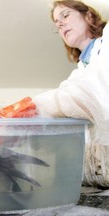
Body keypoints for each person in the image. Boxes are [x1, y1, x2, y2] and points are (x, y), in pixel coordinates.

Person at [33, 0, 109, 186]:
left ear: (89, 16)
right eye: (57, 23)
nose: (60, 24)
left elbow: (95, 90)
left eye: (65, 15)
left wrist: (31, 106)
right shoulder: (76, 75)